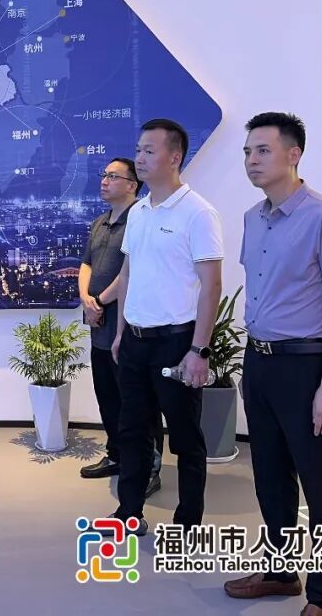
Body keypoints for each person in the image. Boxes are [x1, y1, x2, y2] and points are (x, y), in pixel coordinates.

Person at [223, 112, 322, 616]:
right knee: (270, 475)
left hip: (305, 367)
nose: (251, 160)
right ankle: (280, 572)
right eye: (247, 152)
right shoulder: (251, 217)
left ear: (293, 154)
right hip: (259, 363)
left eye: (262, 150)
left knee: (320, 482)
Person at [109, 119, 224, 535]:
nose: (139, 158)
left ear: (174, 157)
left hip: (176, 343)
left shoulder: (198, 212)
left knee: (185, 437)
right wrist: (120, 332)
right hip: (135, 341)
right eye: (138, 150)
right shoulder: (138, 212)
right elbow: (128, 274)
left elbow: (212, 285)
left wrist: (199, 350)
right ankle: (129, 512)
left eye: (149, 151)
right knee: (133, 431)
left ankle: (188, 522)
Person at [77, 158, 164, 498]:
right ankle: (118, 455)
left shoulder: (141, 220)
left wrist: (99, 301)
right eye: (104, 175)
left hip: (127, 328)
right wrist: (86, 298)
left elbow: (132, 272)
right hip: (98, 326)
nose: (104, 181)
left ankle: (148, 468)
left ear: (132, 184)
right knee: (109, 397)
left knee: (139, 402)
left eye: (113, 176)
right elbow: (86, 264)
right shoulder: (99, 223)